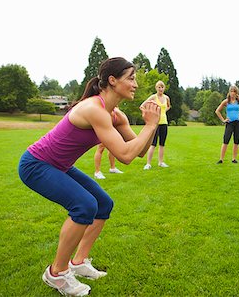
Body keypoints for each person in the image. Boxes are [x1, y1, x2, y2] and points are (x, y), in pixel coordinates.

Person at [18, 57, 160, 296]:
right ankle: (56, 274)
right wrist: (149, 126)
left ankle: (79, 262)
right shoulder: (94, 109)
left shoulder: (116, 116)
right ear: (113, 81)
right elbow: (125, 155)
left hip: (58, 165)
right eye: (131, 78)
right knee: (84, 205)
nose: (135, 84)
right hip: (36, 164)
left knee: (103, 204)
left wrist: (151, 126)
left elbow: (139, 152)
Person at [215, 85, 239, 164]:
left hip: (238, 123)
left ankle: (234, 159)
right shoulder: (226, 101)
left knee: (236, 141)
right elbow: (217, 111)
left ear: (237, 93)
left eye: (234, 92)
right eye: (231, 91)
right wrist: (223, 120)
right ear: (229, 92)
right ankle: (221, 159)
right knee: (226, 140)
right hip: (229, 123)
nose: (233, 93)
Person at [142, 80, 171, 170]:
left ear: (164, 88)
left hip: (164, 123)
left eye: (162, 87)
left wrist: (163, 112)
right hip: (155, 123)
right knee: (153, 144)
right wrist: (148, 115)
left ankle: (161, 162)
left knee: (162, 144)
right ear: (156, 88)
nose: (160, 89)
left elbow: (169, 106)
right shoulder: (153, 97)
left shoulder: (166, 98)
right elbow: (142, 105)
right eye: (159, 87)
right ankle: (148, 163)